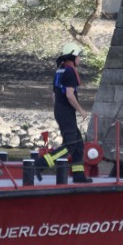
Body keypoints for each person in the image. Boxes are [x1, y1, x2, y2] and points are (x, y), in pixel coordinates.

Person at [40, 42, 92, 183]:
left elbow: (54, 95)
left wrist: (60, 109)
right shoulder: (70, 72)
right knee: (70, 145)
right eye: (79, 56)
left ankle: (78, 175)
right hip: (66, 112)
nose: (80, 59)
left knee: (78, 144)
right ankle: (41, 164)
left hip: (61, 110)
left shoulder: (59, 70)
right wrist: (80, 110)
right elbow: (70, 94)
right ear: (73, 57)